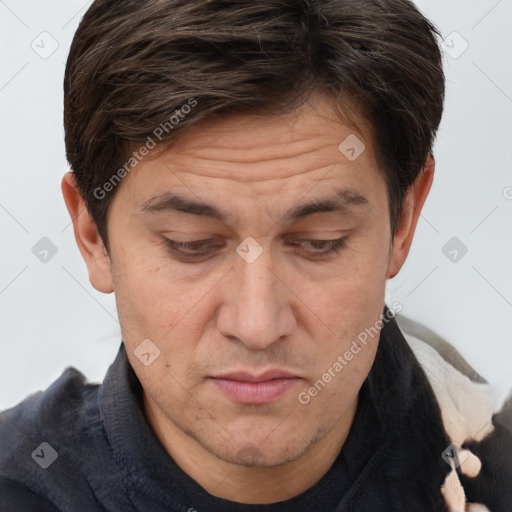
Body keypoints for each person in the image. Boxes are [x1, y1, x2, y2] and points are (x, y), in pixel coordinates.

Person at [1, 0, 510, 511]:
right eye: (190, 244)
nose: (257, 325)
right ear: (93, 235)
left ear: (403, 220)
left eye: (320, 242)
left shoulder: (492, 460)